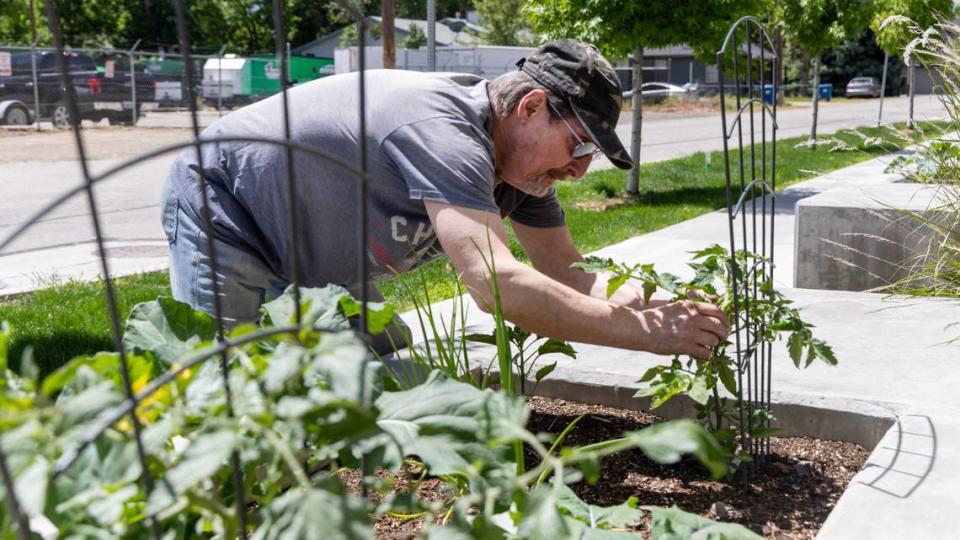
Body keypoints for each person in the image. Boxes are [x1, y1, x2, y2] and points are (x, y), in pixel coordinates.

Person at [161, 39, 728, 359]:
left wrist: (665, 305)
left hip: (310, 243)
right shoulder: (444, 132)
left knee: (378, 370)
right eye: (578, 145)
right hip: (229, 209)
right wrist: (647, 334)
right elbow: (497, 286)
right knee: (225, 390)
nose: (579, 171)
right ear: (530, 108)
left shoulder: (520, 173)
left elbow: (571, 274)